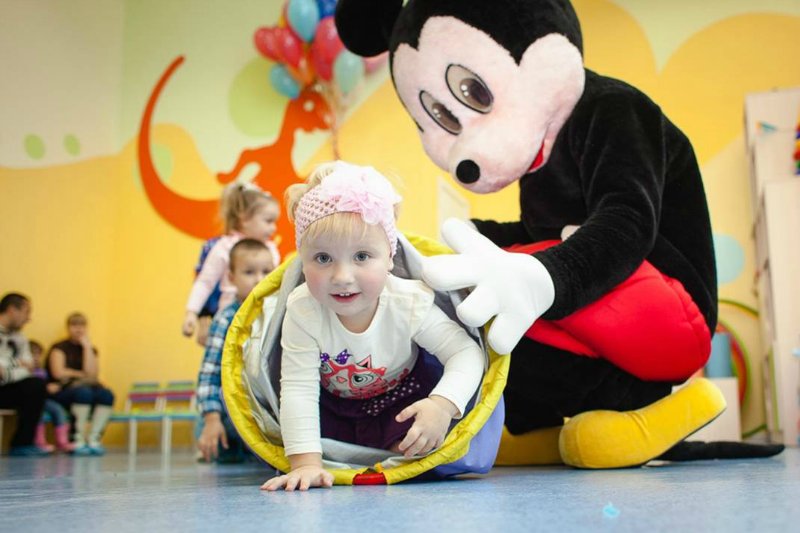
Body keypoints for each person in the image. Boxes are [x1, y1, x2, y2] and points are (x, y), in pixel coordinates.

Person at [262, 161, 484, 491]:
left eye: (362, 256)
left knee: (418, 447)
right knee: (304, 447)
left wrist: (442, 405)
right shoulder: (303, 308)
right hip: (333, 408)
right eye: (323, 258)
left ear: (390, 257)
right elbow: (298, 388)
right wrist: (305, 464)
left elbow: (466, 352)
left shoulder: (408, 302)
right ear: (302, 261)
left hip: (401, 401)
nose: (342, 277)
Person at [196, 238, 275, 463]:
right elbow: (210, 374)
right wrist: (212, 420)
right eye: (249, 272)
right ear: (231, 278)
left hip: (266, 412)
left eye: (266, 271)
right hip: (232, 414)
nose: (259, 279)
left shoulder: (278, 313)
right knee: (225, 453)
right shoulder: (225, 319)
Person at [182, 182, 281, 343]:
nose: (274, 228)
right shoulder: (224, 247)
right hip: (229, 320)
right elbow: (205, 282)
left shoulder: (271, 250)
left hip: (262, 320)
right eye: (268, 221)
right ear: (244, 219)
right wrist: (191, 312)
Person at [47, 313, 115, 456]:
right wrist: (81, 374)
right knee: (84, 393)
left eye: (82, 325)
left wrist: (87, 348)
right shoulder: (59, 348)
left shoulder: (91, 349)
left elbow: (92, 374)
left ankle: (94, 438)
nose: (78, 329)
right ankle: (77, 438)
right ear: (68, 327)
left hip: (85, 388)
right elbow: (58, 373)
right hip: (63, 390)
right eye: (74, 325)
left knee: (107, 395)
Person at [0, 293, 48, 456]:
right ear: (12, 310)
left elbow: (29, 367)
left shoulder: (20, 338)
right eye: (26, 312)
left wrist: (6, 372)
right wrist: (17, 364)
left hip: (7, 386)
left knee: (36, 385)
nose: (29, 319)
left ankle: (22, 444)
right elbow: (23, 365)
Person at [29, 340, 74, 453]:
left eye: (38, 355)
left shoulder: (42, 372)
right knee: (38, 413)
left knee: (58, 410)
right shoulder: (23, 372)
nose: (36, 358)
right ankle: (39, 442)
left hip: (45, 400)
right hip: (32, 401)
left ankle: (62, 442)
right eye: (32, 354)